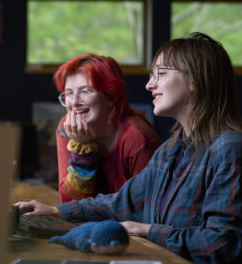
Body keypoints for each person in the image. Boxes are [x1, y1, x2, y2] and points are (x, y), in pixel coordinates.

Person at [17, 33, 242, 264]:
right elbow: (121, 202)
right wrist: (55, 211)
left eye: (160, 74)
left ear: (195, 80)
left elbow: (226, 248)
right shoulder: (172, 150)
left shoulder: (232, 151)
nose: (150, 85)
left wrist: (147, 230)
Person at [53, 53, 161, 203]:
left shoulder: (137, 138)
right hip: (87, 221)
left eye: (85, 91)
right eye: (69, 93)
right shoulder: (67, 129)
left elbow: (148, 208)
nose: (75, 102)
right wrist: (82, 149)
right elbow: (70, 203)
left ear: (111, 97)